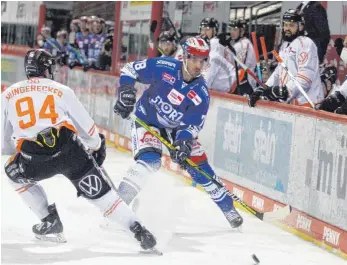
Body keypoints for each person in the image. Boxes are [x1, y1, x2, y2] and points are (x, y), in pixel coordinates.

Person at [1, 49, 157, 251]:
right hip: (71, 153)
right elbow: (89, 129)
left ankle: (49, 221)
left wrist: (20, 151)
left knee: (13, 174)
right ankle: (139, 230)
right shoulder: (62, 90)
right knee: (103, 198)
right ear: (47, 69)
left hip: (34, 160)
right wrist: (95, 147)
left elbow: (3, 142)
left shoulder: (8, 94)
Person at [113, 37, 243, 229]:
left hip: (175, 129)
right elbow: (130, 69)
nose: (199, 65)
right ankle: (117, 209)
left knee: (199, 167)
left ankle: (227, 207)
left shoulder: (201, 93)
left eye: (203, 60)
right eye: (194, 59)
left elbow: (190, 126)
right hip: (148, 119)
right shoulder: (163, 65)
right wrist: (126, 91)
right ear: (185, 56)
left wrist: (183, 143)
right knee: (149, 161)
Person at [249, 9, 324, 108]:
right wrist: (265, 87)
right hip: (291, 103)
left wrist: (285, 91)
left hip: (308, 103)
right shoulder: (285, 45)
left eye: (291, 25)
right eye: (285, 25)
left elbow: (305, 77)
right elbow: (279, 71)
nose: (287, 28)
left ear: (300, 26)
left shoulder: (306, 44)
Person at [198, 17, 238, 93]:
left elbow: (210, 70)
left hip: (230, 86)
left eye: (207, 29)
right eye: (202, 29)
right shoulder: (214, 43)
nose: (204, 32)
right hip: (224, 83)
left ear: (214, 31)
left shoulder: (215, 44)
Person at [227, 19, 257, 95]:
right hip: (240, 82)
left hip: (245, 83)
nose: (232, 32)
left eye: (235, 29)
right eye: (230, 29)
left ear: (242, 31)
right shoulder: (237, 43)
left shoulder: (244, 44)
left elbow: (234, 66)